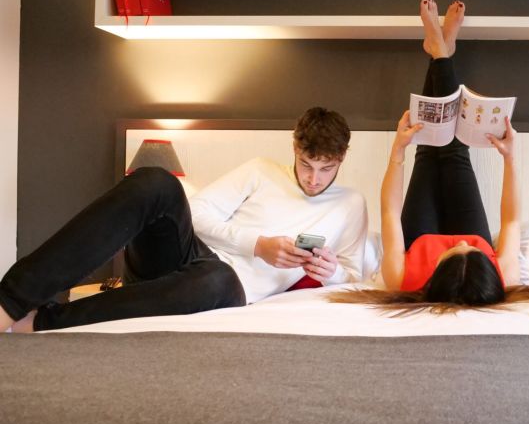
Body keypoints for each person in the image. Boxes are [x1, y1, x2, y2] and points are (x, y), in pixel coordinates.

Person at [331, 0, 529, 314]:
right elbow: (511, 220)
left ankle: (440, 50)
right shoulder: (502, 276)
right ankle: (440, 51)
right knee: (455, 150)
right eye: (474, 250)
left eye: (455, 251)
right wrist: (510, 159)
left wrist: (398, 151)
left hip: (420, 236)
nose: (460, 242)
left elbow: (389, 212)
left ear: (435, 274)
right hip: (467, 232)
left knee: (428, 150)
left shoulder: (402, 278)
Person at [0, 107, 367, 332]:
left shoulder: (351, 204)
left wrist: (329, 270)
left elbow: (355, 277)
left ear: (343, 158)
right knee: (155, 180)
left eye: (326, 168)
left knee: (222, 278)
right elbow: (198, 216)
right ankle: (9, 302)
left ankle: (46, 321)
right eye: (306, 164)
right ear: (294, 148)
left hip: (224, 289)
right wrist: (257, 245)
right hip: (185, 257)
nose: (313, 178)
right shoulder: (260, 171)